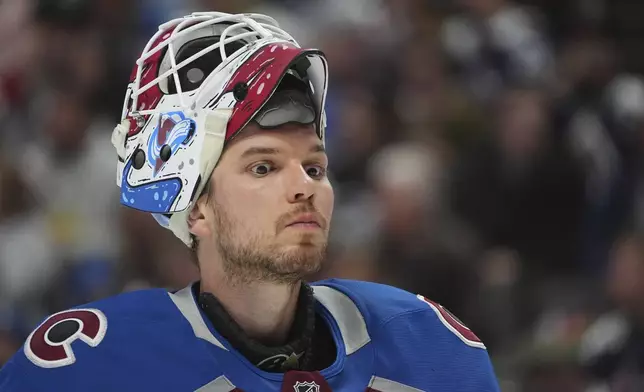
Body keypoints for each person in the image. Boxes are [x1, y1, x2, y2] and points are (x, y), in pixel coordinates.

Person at [0, 11, 500, 391]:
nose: (304, 186)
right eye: (263, 166)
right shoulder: (93, 363)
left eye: (315, 167)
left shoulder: (426, 346)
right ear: (196, 208)